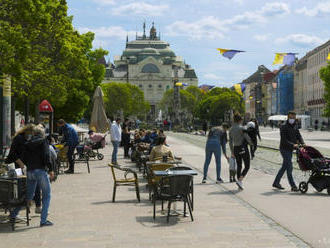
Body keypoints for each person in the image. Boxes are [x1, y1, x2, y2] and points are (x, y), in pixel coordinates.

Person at [9, 125, 55, 227]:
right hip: (40, 171)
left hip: (30, 171)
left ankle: (14, 214)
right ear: (42, 133)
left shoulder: (27, 143)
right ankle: (43, 220)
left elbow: (24, 158)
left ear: (33, 133)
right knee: (47, 195)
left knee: (28, 195)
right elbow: (47, 156)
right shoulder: (43, 141)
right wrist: (51, 169)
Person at [273, 111, 305, 191]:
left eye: (294, 118)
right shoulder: (283, 126)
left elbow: (298, 135)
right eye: (291, 118)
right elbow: (284, 140)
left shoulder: (295, 125)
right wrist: (293, 145)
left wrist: (303, 143)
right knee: (289, 167)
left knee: (284, 166)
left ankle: (276, 182)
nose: (292, 119)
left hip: (290, 149)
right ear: (288, 117)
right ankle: (293, 186)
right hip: (284, 149)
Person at [229, 113, 253, 190]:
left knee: (239, 165)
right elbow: (247, 138)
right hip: (243, 148)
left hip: (235, 148)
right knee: (247, 166)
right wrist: (251, 143)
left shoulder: (231, 129)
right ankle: (240, 180)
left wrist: (232, 152)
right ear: (240, 120)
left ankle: (240, 182)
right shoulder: (241, 128)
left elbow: (230, 142)